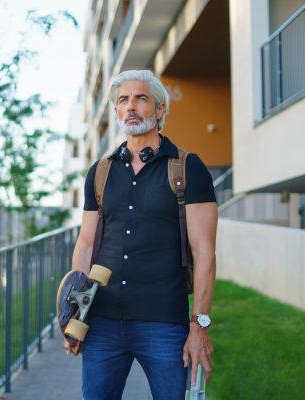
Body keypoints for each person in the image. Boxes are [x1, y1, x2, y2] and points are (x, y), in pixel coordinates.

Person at [63, 70, 217, 400]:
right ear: (117, 111)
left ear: (160, 109)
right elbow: (86, 244)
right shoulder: (100, 172)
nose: (131, 106)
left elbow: (204, 251)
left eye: (141, 98)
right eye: (123, 100)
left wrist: (199, 326)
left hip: (163, 324)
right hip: (102, 323)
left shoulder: (188, 168)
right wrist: (75, 316)